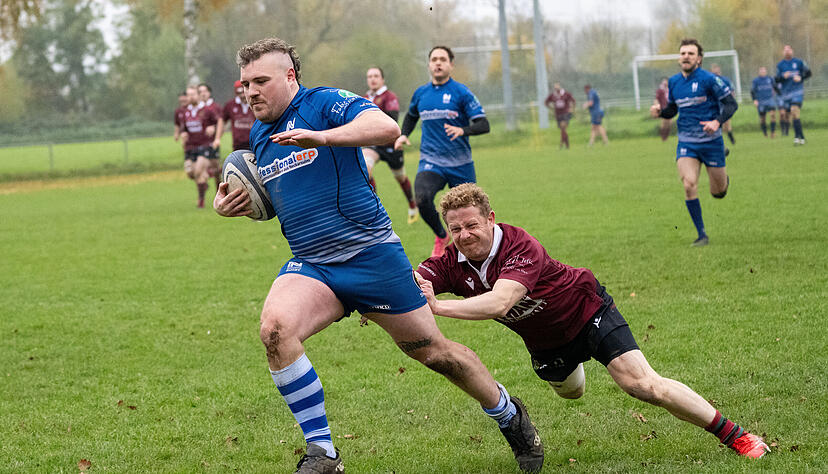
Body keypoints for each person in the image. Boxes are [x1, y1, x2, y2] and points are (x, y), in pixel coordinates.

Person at [213, 37, 543, 474]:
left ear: (290, 76)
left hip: (372, 257)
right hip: (313, 265)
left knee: (436, 354)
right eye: (245, 84)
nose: (251, 91)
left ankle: (507, 414)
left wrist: (324, 137)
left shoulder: (324, 104)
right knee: (275, 330)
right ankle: (324, 453)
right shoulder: (259, 134)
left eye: (261, 81)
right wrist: (231, 205)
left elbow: (387, 128)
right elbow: (277, 194)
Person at [415, 182, 771, 461]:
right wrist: (386, 302)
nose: (464, 235)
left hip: (587, 311)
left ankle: (736, 436)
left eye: (472, 225)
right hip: (547, 342)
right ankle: (576, 364)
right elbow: (411, 282)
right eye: (455, 228)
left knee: (642, 385)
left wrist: (438, 307)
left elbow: (501, 302)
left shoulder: (520, 246)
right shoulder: (451, 261)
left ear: (491, 218)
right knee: (573, 392)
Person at [394, 46, 491, 258]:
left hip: (461, 164)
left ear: (451, 65)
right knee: (421, 198)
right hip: (432, 162)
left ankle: (485, 252)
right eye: (434, 59)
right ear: (429, 65)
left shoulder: (462, 92)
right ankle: (441, 235)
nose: (438, 63)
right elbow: (411, 116)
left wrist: (463, 130)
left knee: (473, 212)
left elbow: (484, 125)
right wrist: (403, 134)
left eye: (443, 59)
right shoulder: (421, 93)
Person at [650, 38, 738, 247]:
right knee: (689, 184)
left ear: (699, 59)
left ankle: (723, 177)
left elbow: (731, 104)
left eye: (690, 54)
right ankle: (701, 235)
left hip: (711, 141)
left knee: (718, 193)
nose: (686, 57)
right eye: (683, 53)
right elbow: (673, 109)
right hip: (687, 142)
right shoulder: (674, 82)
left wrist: (717, 122)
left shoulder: (710, 80)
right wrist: (661, 112)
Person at [362, 66, 418, 224]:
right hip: (373, 144)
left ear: (382, 79)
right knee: (365, 170)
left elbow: (392, 119)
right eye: (370, 76)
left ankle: (413, 205)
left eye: (376, 76)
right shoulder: (364, 97)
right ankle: (375, 209)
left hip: (391, 145)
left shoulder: (389, 96)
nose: (372, 79)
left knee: (400, 177)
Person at [180, 85, 219, 208]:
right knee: (190, 173)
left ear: (198, 95)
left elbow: (218, 122)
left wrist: (213, 128)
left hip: (204, 145)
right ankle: (204, 183)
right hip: (190, 147)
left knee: (198, 172)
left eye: (193, 94)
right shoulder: (185, 112)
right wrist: (183, 133)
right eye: (188, 94)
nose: (190, 97)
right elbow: (184, 128)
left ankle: (201, 200)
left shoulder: (207, 110)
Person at [776, 45, 811, 145]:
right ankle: (802, 137)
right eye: (785, 50)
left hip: (797, 92)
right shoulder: (780, 65)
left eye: (789, 49)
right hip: (786, 94)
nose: (787, 51)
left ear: (792, 51)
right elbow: (776, 79)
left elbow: (809, 73)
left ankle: (796, 137)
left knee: (794, 111)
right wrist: (783, 76)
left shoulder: (799, 62)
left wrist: (801, 78)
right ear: (783, 52)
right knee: (794, 116)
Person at [218, 80, 257, 151]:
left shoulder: (256, 102)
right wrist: (217, 138)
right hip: (238, 145)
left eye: (243, 92)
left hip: (255, 143)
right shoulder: (230, 105)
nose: (242, 95)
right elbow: (222, 120)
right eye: (239, 93)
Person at [198, 82, 223, 188]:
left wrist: (217, 137)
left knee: (216, 170)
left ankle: (220, 191)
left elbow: (221, 122)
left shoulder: (214, 107)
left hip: (211, 143)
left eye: (205, 91)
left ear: (209, 93)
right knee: (200, 168)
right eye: (200, 92)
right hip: (199, 143)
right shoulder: (197, 109)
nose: (203, 94)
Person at [709, 64, 736, 145]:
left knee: (726, 121)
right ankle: (720, 140)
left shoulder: (725, 80)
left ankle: (730, 137)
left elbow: (731, 91)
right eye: (714, 68)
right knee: (718, 123)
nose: (715, 70)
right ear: (711, 70)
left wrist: (731, 100)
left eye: (717, 68)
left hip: (724, 104)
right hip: (715, 105)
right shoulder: (711, 79)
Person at [544, 82, 576, 149]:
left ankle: (562, 144)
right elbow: (546, 102)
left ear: (560, 86)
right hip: (558, 114)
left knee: (563, 128)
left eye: (557, 86)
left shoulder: (566, 94)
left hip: (565, 113)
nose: (556, 88)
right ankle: (567, 145)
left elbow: (573, 101)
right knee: (562, 130)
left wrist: (572, 109)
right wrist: (551, 108)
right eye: (555, 87)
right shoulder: (553, 95)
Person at [751, 67, 779, 138]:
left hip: (770, 100)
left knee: (773, 115)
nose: (763, 72)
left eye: (764, 71)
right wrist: (755, 100)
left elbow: (775, 87)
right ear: (759, 72)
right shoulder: (756, 81)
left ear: (766, 72)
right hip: (761, 102)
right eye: (761, 71)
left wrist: (780, 94)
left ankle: (773, 132)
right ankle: (765, 133)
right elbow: (752, 91)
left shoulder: (770, 79)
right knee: (763, 118)